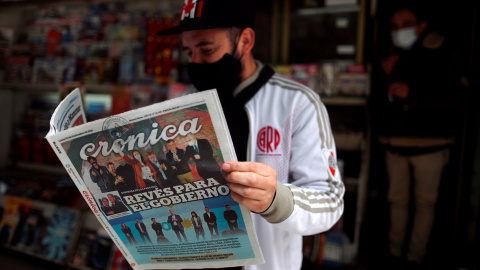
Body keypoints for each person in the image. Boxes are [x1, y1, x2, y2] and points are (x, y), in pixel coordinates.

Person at [157, 1, 344, 269]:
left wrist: (275, 200)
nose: (195, 62)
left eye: (206, 49)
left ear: (245, 40)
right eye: (188, 51)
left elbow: (330, 202)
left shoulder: (297, 103)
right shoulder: (182, 106)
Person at [370, 6, 462, 266]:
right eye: (395, 26)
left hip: (430, 145)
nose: (400, 31)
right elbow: (377, 103)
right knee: (396, 200)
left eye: (406, 24)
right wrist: (385, 78)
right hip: (395, 144)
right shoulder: (389, 56)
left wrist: (412, 94)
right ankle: (395, 254)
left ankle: (415, 258)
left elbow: (455, 100)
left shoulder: (442, 53)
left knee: (425, 203)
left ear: (421, 26)